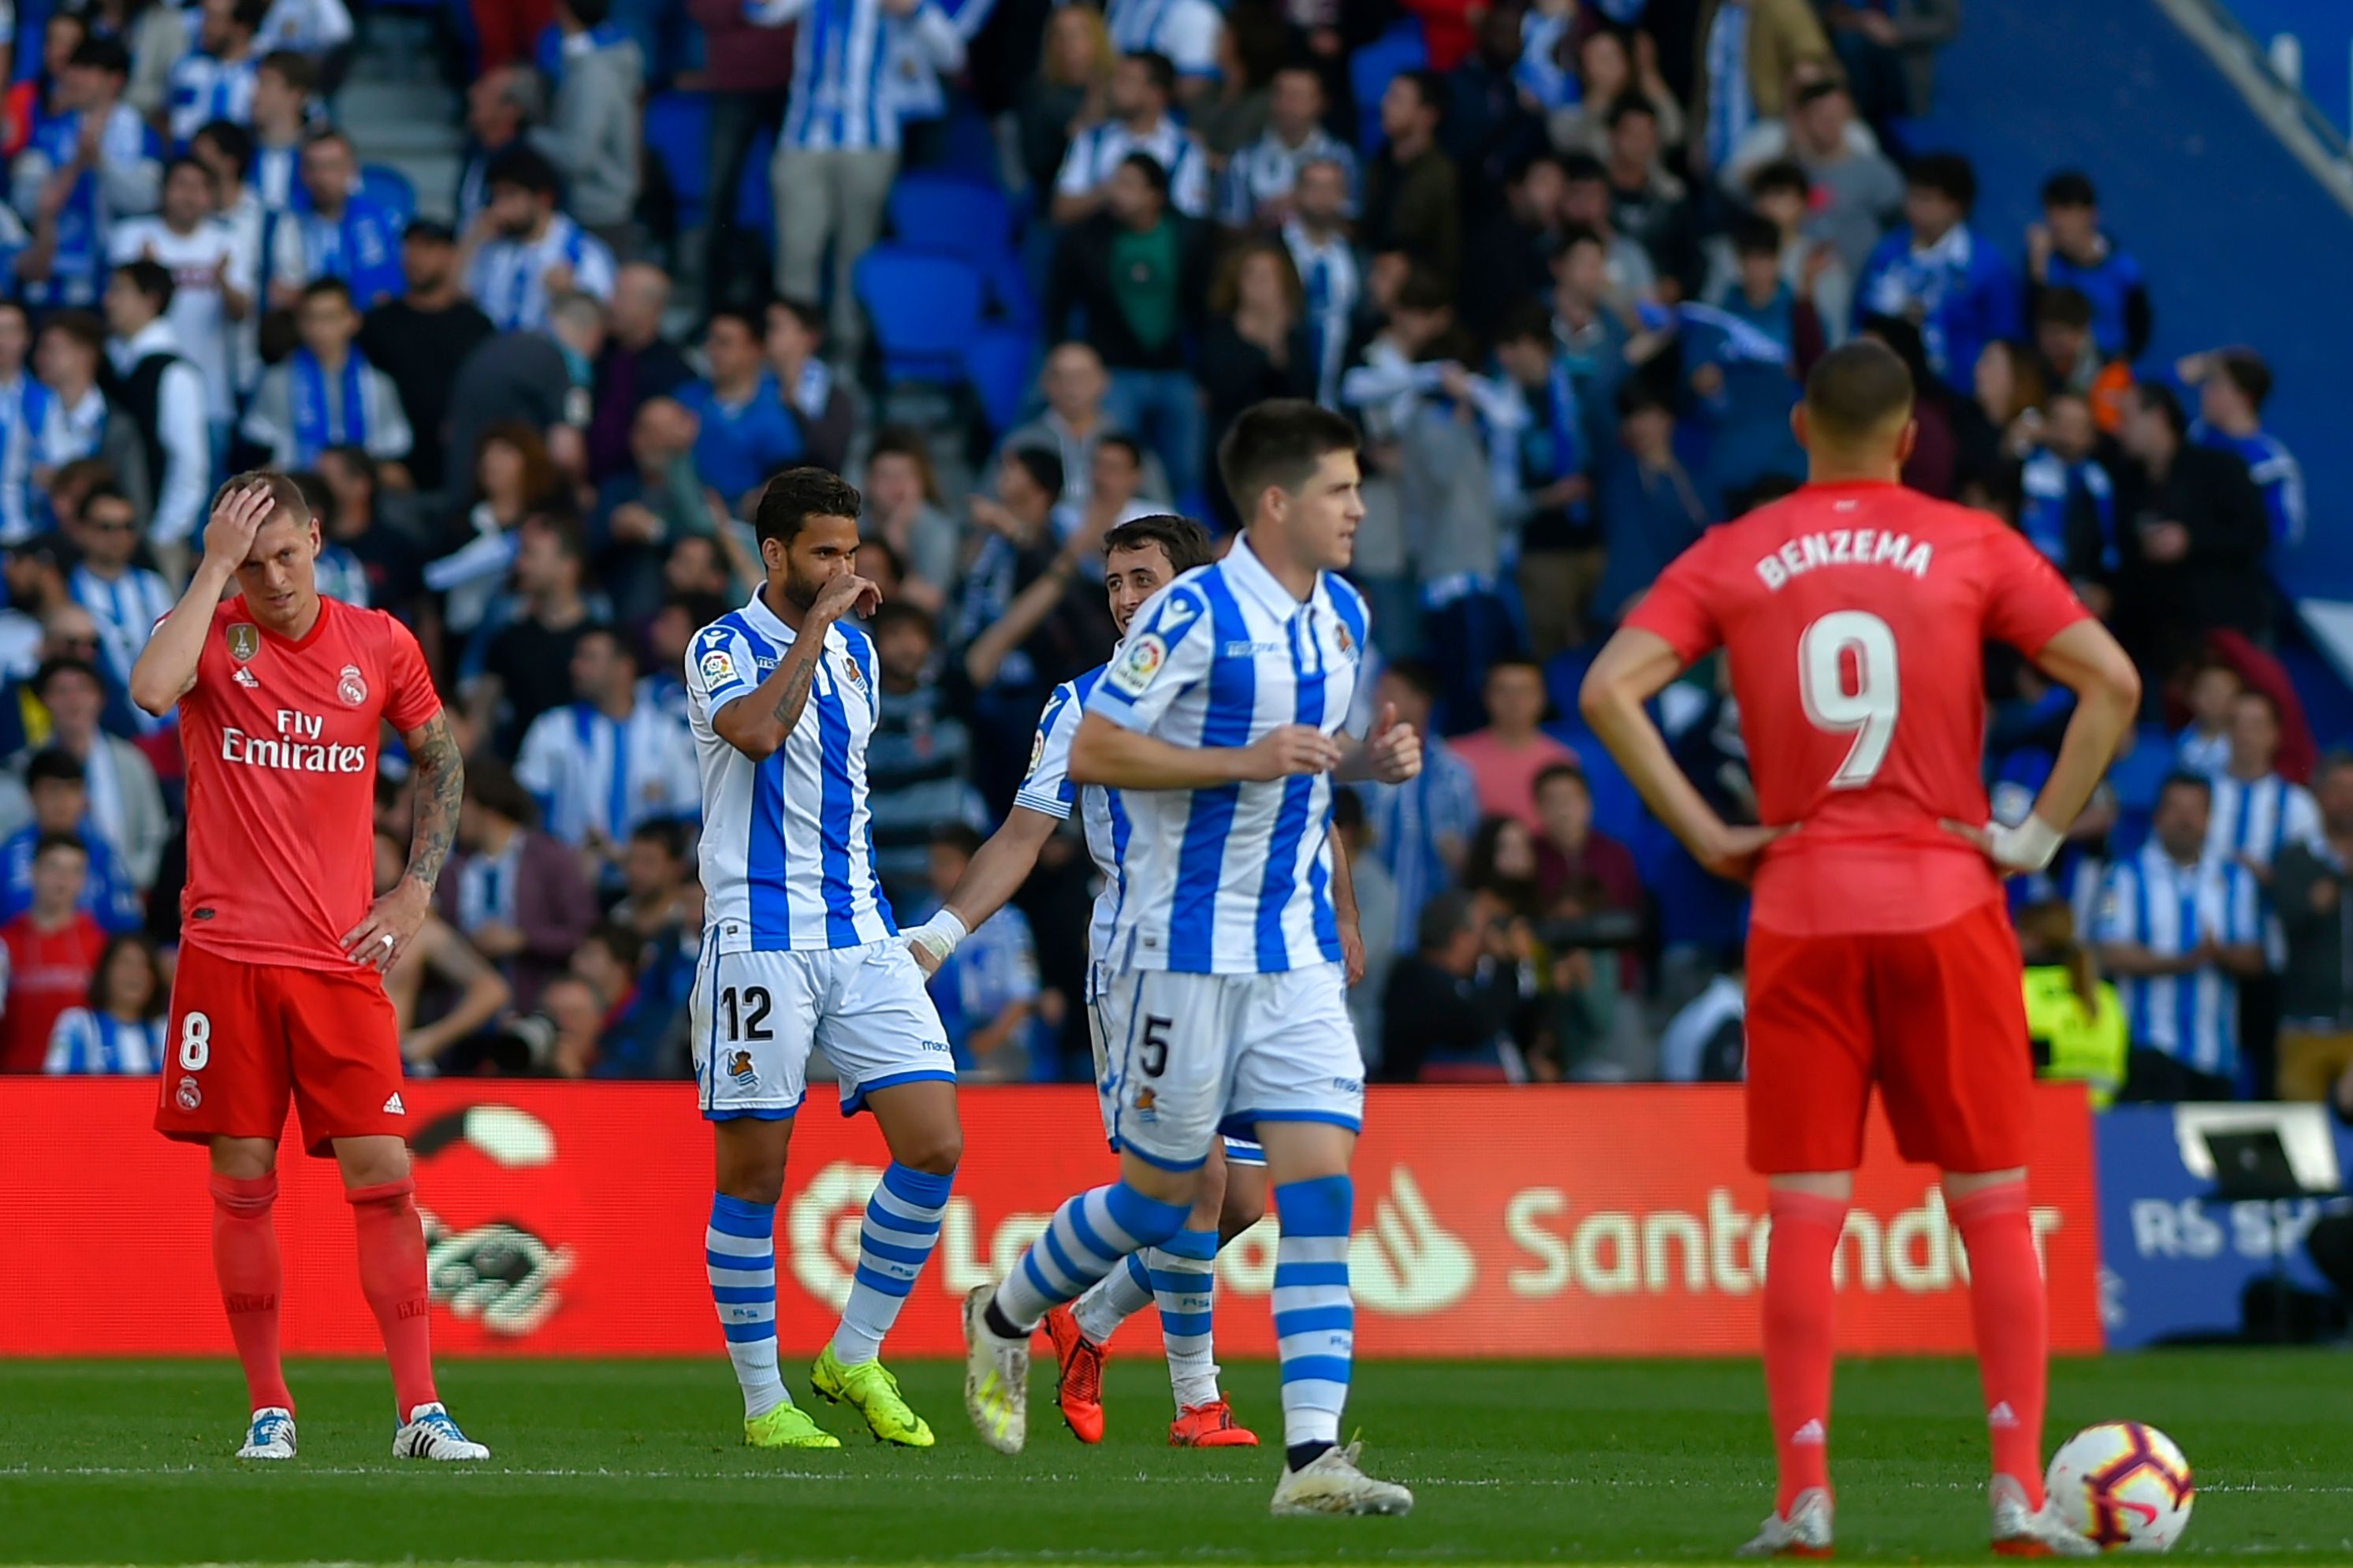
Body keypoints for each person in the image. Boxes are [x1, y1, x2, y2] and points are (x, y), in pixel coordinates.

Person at [1577, 338, 2143, 1554]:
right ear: (1906, 438)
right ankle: (2012, 1489)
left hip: (1799, 902)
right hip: (1948, 897)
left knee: (1805, 1214)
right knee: (1992, 1204)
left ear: (1798, 426)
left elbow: (1610, 688)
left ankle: (1805, 1497)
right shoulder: (1968, 541)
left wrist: (1710, 832)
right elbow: (2112, 681)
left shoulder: (1736, 551)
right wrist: (2037, 834)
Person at [959, 401, 1422, 1518]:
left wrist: (1366, 763)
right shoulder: (1190, 618)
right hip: (1175, 945)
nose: (1359, 507)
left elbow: (1302, 780)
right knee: (1165, 1193)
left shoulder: (1342, 617)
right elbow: (1103, 745)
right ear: (1276, 502)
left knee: (1310, 1190)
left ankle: (1311, 1460)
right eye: (1339, 489)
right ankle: (1010, 1311)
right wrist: (1243, 754)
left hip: (1293, 951)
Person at [127, 472, 486, 1461]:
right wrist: (208, 568)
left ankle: (421, 1410)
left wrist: (415, 889)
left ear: (317, 539)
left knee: (386, 1179)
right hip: (226, 957)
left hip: (338, 961)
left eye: (286, 555)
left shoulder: (379, 641)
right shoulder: (205, 629)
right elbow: (151, 693)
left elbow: (440, 757)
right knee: (243, 1182)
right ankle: (269, 1408)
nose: (273, 578)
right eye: (252, 562)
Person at [906, 512, 1266, 1446]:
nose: (1123, 599)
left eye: (1141, 579)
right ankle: (1197, 1403)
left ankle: (1076, 1318)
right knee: (1194, 1181)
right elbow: (1023, 838)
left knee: (1242, 1202)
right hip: (1143, 964)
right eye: (1113, 584)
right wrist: (941, 936)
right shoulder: (1083, 703)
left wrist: (1338, 917)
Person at [682, 465, 964, 1451]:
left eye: (852, 551)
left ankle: (853, 1351)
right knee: (756, 1174)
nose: (844, 570)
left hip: (861, 933)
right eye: (824, 554)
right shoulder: (718, 648)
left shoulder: (860, 657)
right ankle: (766, 1405)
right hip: (759, 939)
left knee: (934, 1144)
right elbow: (759, 735)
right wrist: (816, 628)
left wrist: (835, 629)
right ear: (775, 555)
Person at [748, 0, 963, 355]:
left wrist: (915, 12)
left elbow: (951, 54)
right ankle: (794, 360)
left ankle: (849, 356)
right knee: (796, 255)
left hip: (870, 140)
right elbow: (760, 11)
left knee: (858, 256)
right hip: (803, 137)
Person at [2094, 773, 2266, 1103]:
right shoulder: (2126, 875)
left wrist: (2219, 955)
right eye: (2176, 809)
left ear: (2210, 818)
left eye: (2195, 810)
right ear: (2157, 815)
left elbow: (2255, 958)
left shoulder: (2233, 880)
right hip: (2148, 1047)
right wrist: (2184, 962)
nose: (2185, 820)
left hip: (2216, 1055)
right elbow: (2112, 954)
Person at [512, 624, 699, 878]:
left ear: (624, 667)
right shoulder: (553, 728)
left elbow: (688, 815)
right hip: (572, 882)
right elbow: (524, 809)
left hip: (648, 890)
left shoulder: (665, 734)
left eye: (588, 658)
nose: (575, 667)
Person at [12, 38, 162, 314]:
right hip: (53, 281)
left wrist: (100, 163)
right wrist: (73, 168)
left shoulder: (140, 133)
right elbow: (24, 201)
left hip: (113, 285)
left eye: (86, 69)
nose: (74, 77)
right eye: (73, 68)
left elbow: (148, 199)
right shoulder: (50, 130)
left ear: (114, 80)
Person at [107, 157, 247, 454]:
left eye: (200, 188)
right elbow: (115, 307)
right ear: (164, 190)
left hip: (211, 393)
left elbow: (243, 313)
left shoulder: (228, 241)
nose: (189, 195)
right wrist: (148, 275)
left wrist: (223, 283)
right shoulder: (132, 235)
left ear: (211, 197)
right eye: (181, 185)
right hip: (141, 384)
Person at [439, 757, 595, 1012]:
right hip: (465, 1009)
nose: (451, 815)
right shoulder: (452, 871)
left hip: (534, 1000)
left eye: (457, 803)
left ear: (485, 807)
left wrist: (523, 940)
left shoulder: (549, 857)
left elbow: (583, 931)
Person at [1854, 153, 2016, 393]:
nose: (1914, 208)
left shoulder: (1987, 266)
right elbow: (1860, 316)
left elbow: (2003, 337)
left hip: (1958, 393)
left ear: (1955, 207)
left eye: (1926, 199)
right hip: (1886, 385)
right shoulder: (1887, 253)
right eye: (1912, 197)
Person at [862, 602, 985, 911]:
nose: (906, 646)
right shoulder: (858, 707)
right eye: (894, 635)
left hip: (942, 888)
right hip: (873, 885)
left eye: (916, 636)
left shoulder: (952, 698)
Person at [368, 829, 512, 1072]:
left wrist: (431, 1039)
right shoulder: (323, 922)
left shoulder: (421, 931)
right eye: (368, 852)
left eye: (383, 853)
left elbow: (491, 989)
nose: (375, 861)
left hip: (389, 1062)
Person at [243, 278, 412, 470]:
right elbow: (258, 451)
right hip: (300, 491)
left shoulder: (378, 384)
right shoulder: (275, 381)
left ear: (353, 320)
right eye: (310, 318)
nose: (318, 329)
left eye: (329, 318)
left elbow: (393, 452)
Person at [100, 259, 207, 557]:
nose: (108, 301)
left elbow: (189, 464)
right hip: (112, 534)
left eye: (119, 291)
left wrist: (163, 533)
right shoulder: (111, 363)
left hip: (157, 537)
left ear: (151, 300)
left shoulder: (174, 373)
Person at [464, 145, 618, 333]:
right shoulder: (492, 246)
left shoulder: (585, 254)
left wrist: (570, 295)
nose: (499, 207)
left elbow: (603, 323)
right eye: (496, 196)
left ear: (544, 199)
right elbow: (456, 295)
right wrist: (472, 240)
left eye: (510, 195)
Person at [529, 0, 642, 253]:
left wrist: (529, 136)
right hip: (599, 207)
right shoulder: (595, 62)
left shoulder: (594, 74)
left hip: (598, 214)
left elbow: (577, 156)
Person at [2272, 754, 2353, 1103]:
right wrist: (2320, 897)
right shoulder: (2296, 859)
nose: (2347, 800)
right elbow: (2285, 923)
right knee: (2301, 1132)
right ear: (2318, 795)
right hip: (2305, 1025)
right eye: (2337, 789)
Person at [64, 486, 175, 740]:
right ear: (81, 531)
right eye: (106, 527)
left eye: (127, 527)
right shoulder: (67, 588)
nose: (119, 536)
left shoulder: (153, 585)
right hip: (108, 730)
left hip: (170, 729)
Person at [1052, 51, 1210, 225]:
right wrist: (1108, 193)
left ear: (1156, 94)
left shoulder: (1185, 150)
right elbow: (1062, 210)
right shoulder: (1091, 140)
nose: (1115, 88)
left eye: (1127, 81)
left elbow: (1191, 220)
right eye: (1116, 79)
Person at [0, 744, 143, 933]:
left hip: (94, 959)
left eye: (72, 790)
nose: (63, 801)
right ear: (31, 796)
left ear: (84, 799)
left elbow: (127, 925)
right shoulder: (8, 857)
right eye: (52, 790)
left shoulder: (104, 854)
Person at [0, 832, 110, 1070]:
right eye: (54, 867)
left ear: (84, 881)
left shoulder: (100, 944)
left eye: (75, 871)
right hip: (14, 1082)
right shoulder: (5, 943)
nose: (63, 879)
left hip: (81, 1083)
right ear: (33, 872)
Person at [2180, 347, 2304, 550]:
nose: (2204, 392)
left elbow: (2284, 532)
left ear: (2244, 398)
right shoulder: (2193, 436)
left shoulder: (2272, 463)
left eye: (2216, 386)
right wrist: (2188, 371)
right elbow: (2139, 401)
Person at [2027, 171, 2150, 367]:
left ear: (2091, 215)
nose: (2057, 221)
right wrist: (2036, 272)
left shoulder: (2124, 270)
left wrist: (2117, 365)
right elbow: (2031, 325)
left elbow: (2140, 330)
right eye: (2051, 209)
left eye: (2067, 209)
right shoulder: (2041, 263)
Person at [2016, 898, 2127, 1110]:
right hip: (2103, 1117)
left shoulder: (2021, 986)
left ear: (2034, 939)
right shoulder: (2104, 993)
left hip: (2044, 1116)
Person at [1219, 64, 1353, 232]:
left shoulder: (1342, 157)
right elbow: (1229, 229)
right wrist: (1265, 218)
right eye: (1279, 94)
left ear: (1320, 102)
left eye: (1296, 97)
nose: (1285, 105)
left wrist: (1311, 208)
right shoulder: (1243, 159)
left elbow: (1354, 227)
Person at [1453, 658, 1580, 832]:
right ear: (1486, 696)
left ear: (1543, 697)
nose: (1514, 700)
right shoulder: (1455, 759)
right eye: (1503, 691)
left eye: (1524, 691)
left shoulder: (1561, 759)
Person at [1358, 70, 1458, 289]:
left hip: (1416, 291)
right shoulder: (1378, 161)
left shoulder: (1442, 176)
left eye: (1397, 99)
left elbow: (1444, 253)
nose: (1385, 105)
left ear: (1428, 115)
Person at [292, 129, 403, 311]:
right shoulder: (288, 224)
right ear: (302, 173)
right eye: (312, 167)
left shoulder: (380, 222)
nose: (321, 177)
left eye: (331, 166)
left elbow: (391, 289)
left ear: (351, 169)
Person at [43, 929, 168, 1073]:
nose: (135, 974)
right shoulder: (78, 1025)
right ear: (106, 971)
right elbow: (55, 1086)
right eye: (126, 963)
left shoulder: (165, 1032)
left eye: (144, 966)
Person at [165, 0, 266, 151]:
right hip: (185, 160)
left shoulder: (261, 74)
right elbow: (166, 113)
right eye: (205, 17)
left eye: (215, 19)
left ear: (241, 28)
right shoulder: (185, 67)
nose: (205, 27)